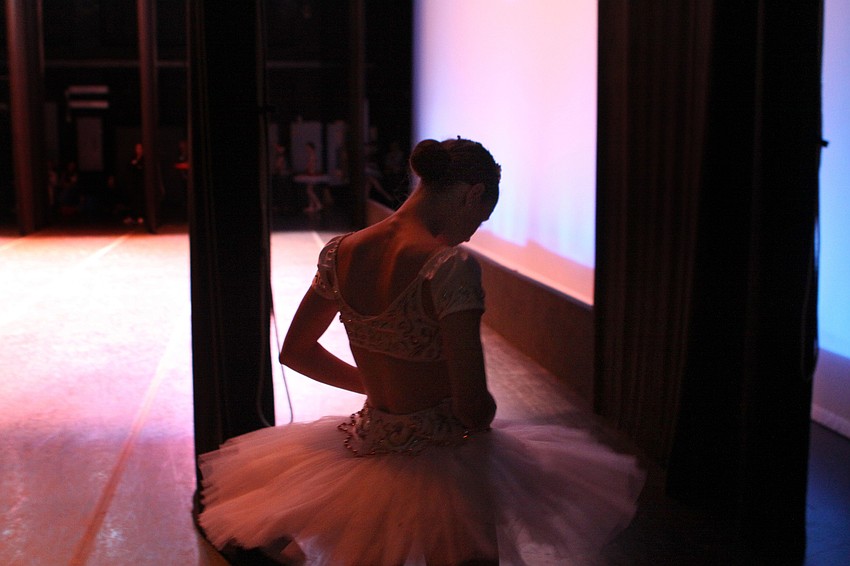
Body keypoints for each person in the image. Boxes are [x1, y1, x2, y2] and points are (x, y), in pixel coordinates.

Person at [197, 137, 645, 565]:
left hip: (370, 452)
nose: (470, 235)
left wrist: (374, 386)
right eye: (480, 219)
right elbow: (473, 408)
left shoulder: (341, 252)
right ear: (472, 194)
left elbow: (296, 352)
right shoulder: (450, 265)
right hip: (446, 461)